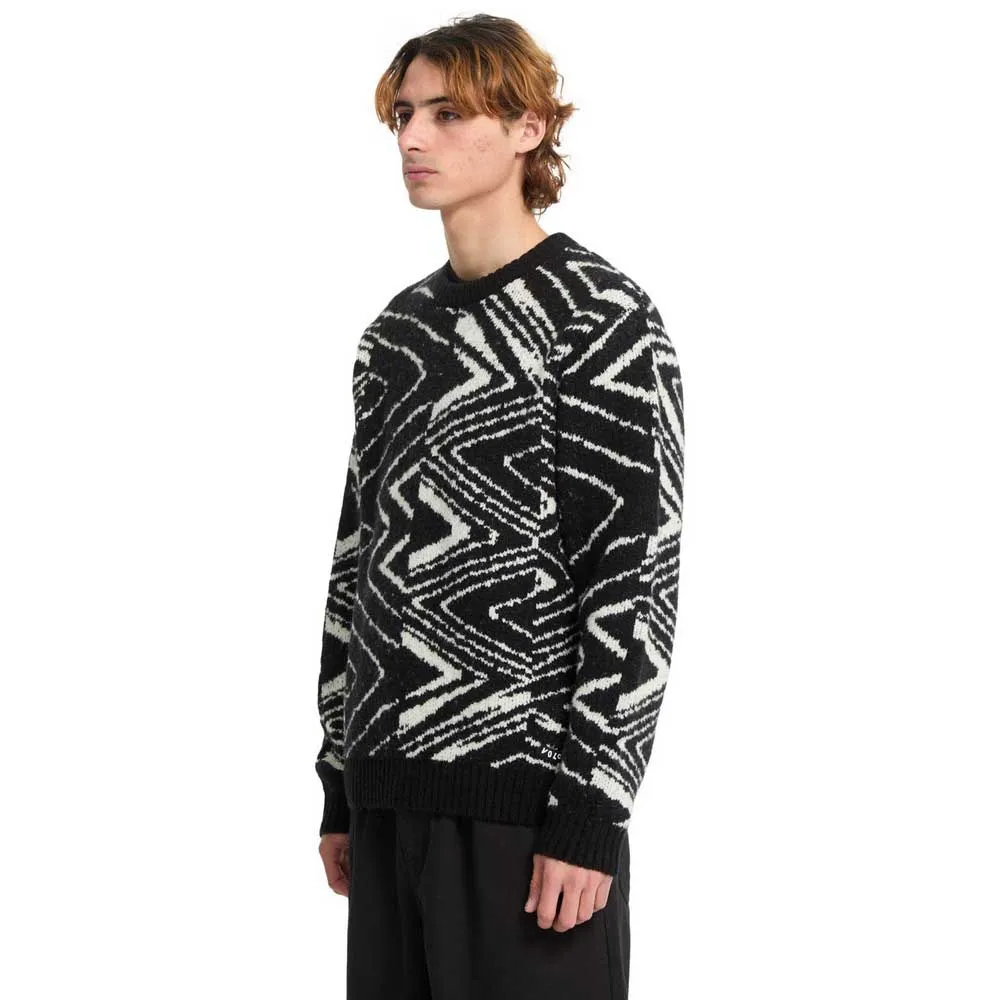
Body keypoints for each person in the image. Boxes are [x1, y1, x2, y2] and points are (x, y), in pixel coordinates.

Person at [315, 14, 684, 999]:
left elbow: (634, 577)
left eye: (447, 113)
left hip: (525, 816)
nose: (413, 137)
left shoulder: (600, 320)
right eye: (403, 114)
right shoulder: (394, 337)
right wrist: (340, 779)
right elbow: (358, 563)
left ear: (528, 127)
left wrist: (590, 810)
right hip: (387, 798)